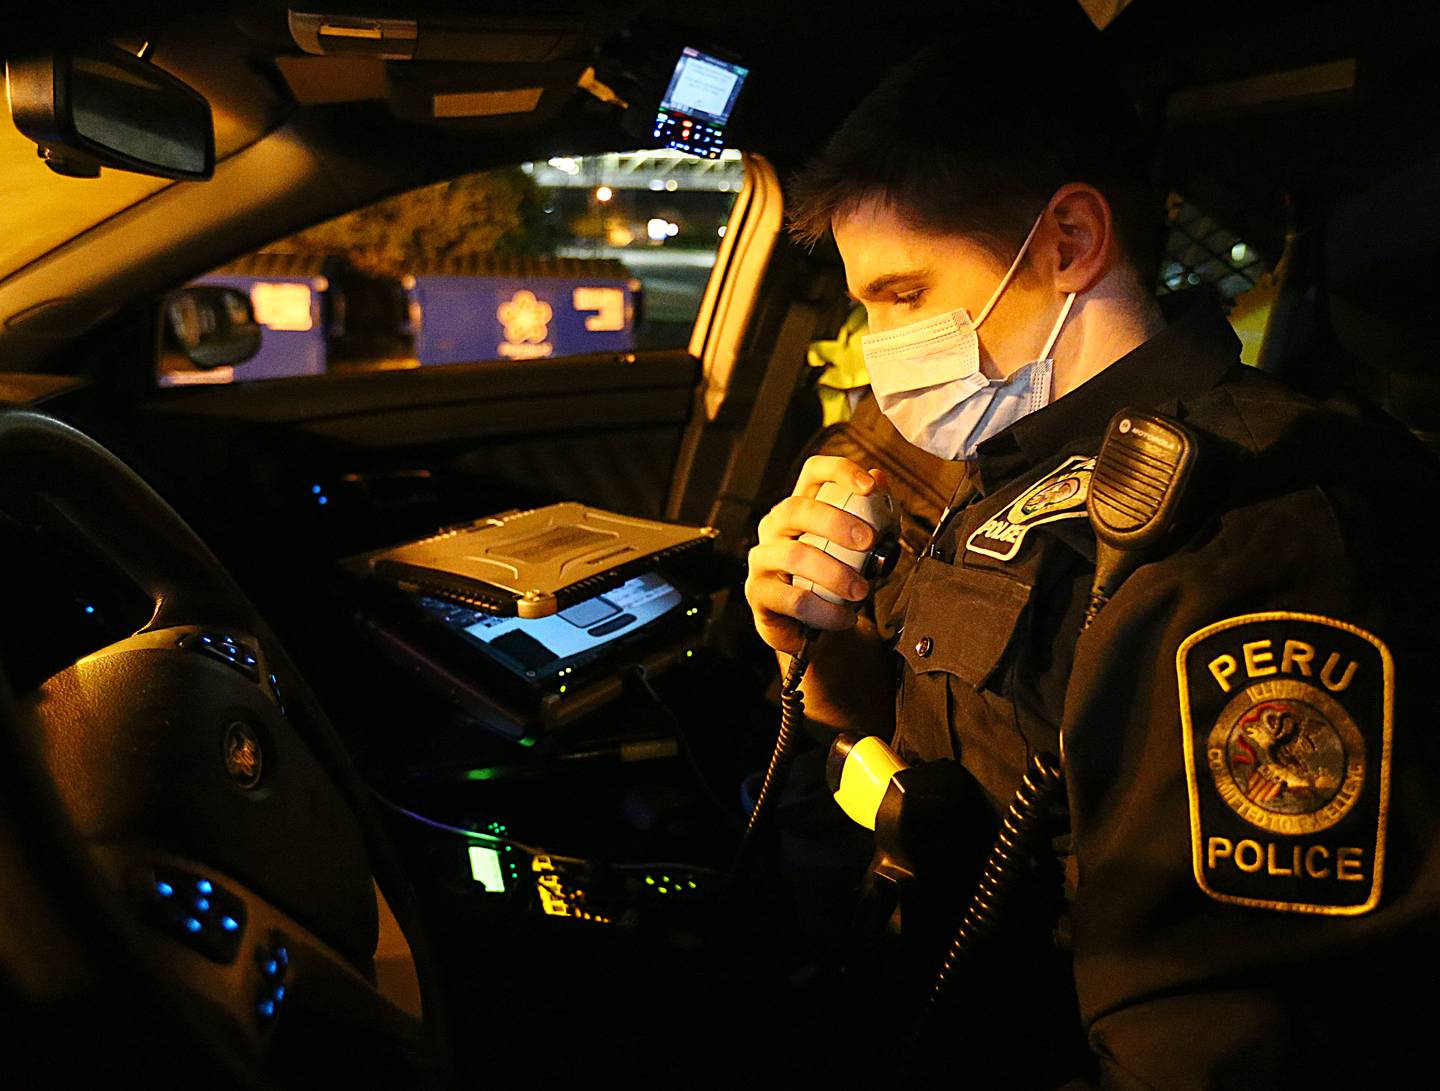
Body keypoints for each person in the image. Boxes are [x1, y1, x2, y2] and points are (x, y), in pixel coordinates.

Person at [743, 18, 1440, 1088]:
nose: (882, 351)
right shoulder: (1018, 471)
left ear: (1069, 241)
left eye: (905, 295)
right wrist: (823, 664)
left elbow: (1214, 1037)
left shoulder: (1248, 538)